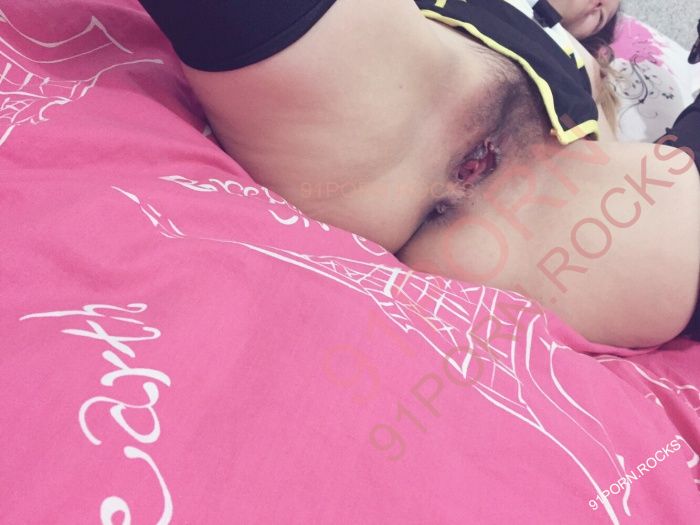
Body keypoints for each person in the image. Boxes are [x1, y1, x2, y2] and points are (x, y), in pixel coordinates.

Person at [137, 0, 699, 348]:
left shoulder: (592, 77)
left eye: (604, 14)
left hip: (615, 231)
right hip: (388, 132)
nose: (602, 2)